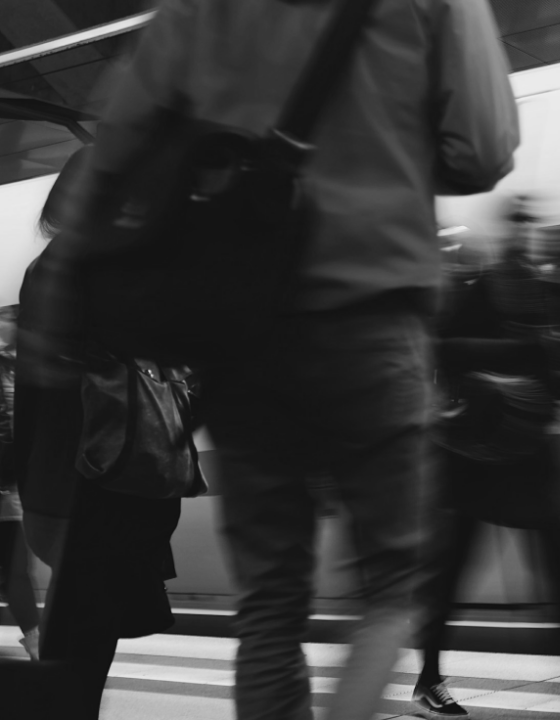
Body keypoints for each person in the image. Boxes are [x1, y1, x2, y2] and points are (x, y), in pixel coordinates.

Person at [46, 1, 519, 719]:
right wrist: (379, 138)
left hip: (240, 334)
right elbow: (480, 150)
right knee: (395, 579)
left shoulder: (199, 10)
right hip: (371, 319)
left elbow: (119, 149)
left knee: (271, 597)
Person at [9, 149, 183, 719]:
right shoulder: (87, 269)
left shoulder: (59, 267)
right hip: (91, 475)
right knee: (83, 638)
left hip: (75, 475)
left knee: (84, 630)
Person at [414, 200, 560, 717]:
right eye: (519, 227)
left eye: (531, 227)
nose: (527, 237)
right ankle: (428, 680)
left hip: (529, 457)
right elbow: (442, 350)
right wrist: (521, 358)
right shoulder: (480, 288)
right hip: (474, 458)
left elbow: (547, 369)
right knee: (450, 574)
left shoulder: (542, 293)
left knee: (558, 573)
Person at [0, 305, 41, 661]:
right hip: (9, 483)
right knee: (15, 570)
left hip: (15, 486)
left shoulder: (31, 369)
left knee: (17, 571)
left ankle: (35, 638)